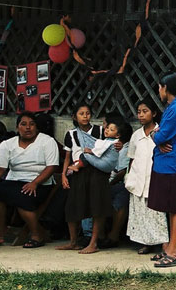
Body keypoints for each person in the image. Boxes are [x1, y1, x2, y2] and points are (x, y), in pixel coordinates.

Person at [0, 112, 59, 248]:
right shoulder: (7, 144)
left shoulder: (47, 141)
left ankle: (36, 235)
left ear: (37, 127)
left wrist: (35, 183)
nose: (28, 128)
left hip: (40, 182)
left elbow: (52, 166)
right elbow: (0, 168)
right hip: (14, 180)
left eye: (32, 124)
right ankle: (2, 232)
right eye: (23, 124)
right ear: (17, 127)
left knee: (23, 197)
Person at [57, 104, 113, 254]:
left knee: (97, 207)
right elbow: (68, 157)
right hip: (77, 172)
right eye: (81, 113)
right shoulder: (71, 134)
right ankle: (73, 241)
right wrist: (63, 175)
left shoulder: (100, 131)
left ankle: (93, 243)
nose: (85, 116)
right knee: (73, 206)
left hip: (97, 171)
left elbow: (110, 145)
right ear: (74, 117)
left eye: (88, 113)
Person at [148, 72, 176, 268]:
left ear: (166, 88)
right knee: (169, 208)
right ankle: (169, 248)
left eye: (159, 87)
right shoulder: (174, 107)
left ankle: (174, 252)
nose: (158, 91)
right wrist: (158, 137)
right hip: (166, 165)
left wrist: (156, 136)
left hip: (172, 165)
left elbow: (160, 136)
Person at [125, 97, 168, 254]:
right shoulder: (136, 135)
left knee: (157, 213)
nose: (141, 115)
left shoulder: (161, 133)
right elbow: (132, 158)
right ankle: (145, 242)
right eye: (139, 112)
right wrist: (130, 178)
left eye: (145, 111)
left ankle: (164, 244)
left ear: (154, 113)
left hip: (155, 178)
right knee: (141, 213)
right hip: (138, 178)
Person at [103, 119, 132, 248]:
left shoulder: (126, 148)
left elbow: (122, 171)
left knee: (120, 199)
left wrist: (110, 183)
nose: (105, 129)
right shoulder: (108, 143)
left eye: (110, 128)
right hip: (111, 181)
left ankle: (113, 235)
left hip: (121, 182)